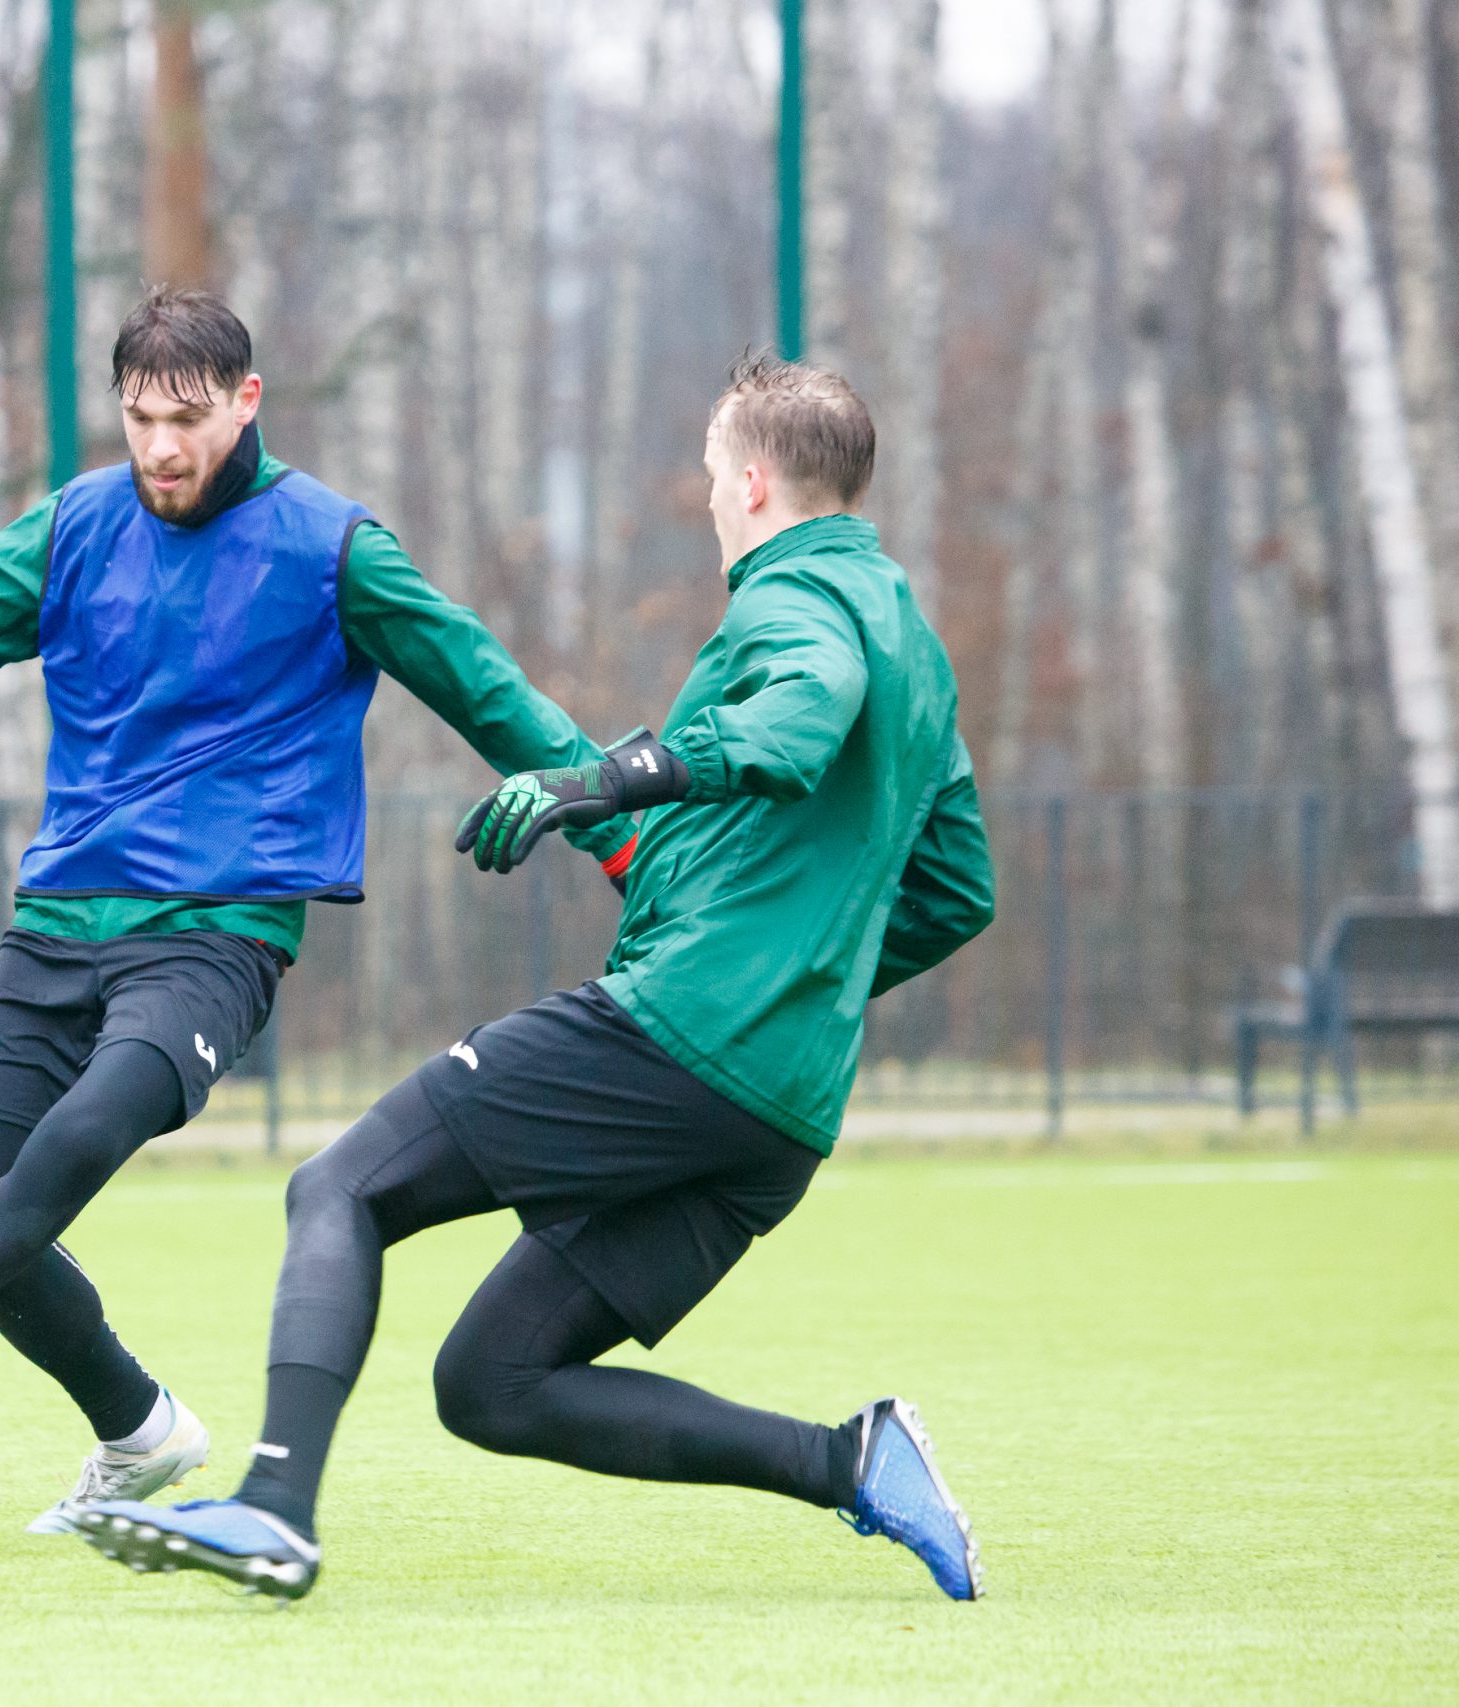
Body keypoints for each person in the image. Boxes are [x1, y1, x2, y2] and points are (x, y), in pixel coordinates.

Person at [70, 354, 998, 1601]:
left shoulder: (791, 598)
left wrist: (602, 781)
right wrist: (796, 978)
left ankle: (272, 1507)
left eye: (711, 478)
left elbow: (795, 724)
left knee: (340, 1186)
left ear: (752, 484)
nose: (710, 501)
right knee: (494, 1381)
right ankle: (852, 1462)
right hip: (781, 1114)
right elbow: (957, 889)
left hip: (680, 1035)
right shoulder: (914, 646)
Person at [0, 287, 625, 1531]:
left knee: (66, 1154)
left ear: (246, 402)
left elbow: (486, 689)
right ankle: (141, 1430)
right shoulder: (75, 526)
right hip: (56, 922)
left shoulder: (333, 548)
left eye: (186, 418)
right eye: (140, 417)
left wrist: (615, 824)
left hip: (214, 937)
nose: (160, 446)